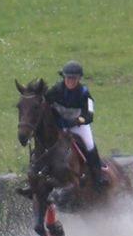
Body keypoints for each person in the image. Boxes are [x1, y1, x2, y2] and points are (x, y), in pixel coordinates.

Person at [45, 60, 106, 189]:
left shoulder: (84, 93)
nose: (70, 81)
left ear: (78, 79)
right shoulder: (55, 90)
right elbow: (44, 104)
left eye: (74, 79)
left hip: (79, 126)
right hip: (60, 126)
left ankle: (98, 176)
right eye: (68, 78)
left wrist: (77, 121)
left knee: (89, 145)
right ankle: (40, 172)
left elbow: (89, 115)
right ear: (64, 77)